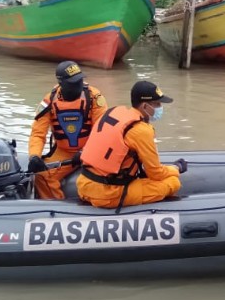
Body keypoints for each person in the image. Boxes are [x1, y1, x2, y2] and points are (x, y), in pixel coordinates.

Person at [76, 81, 187, 209]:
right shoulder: (141, 130)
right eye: (157, 104)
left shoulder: (114, 112)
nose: (160, 107)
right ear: (145, 106)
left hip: (83, 183)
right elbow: (156, 173)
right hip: (108, 193)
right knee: (173, 182)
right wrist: (176, 168)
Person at [28, 61, 108, 199]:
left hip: (92, 150)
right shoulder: (49, 101)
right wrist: (34, 155)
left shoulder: (94, 97)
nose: (78, 84)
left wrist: (85, 152)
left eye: (80, 80)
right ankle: (56, 209)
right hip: (63, 152)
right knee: (41, 175)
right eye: (73, 82)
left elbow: (103, 131)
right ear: (61, 83)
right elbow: (38, 133)